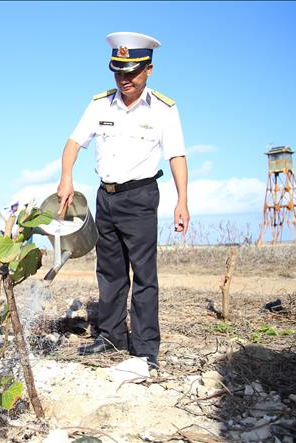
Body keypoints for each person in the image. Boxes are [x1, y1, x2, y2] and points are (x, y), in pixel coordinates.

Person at [56, 32, 189, 368]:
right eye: (118, 72)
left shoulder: (164, 109)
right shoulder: (100, 104)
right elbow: (73, 143)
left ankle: (145, 349)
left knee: (144, 275)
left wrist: (182, 200)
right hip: (107, 197)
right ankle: (111, 337)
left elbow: (176, 156)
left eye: (132, 73)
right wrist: (66, 177)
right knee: (110, 272)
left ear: (149, 70)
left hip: (141, 197)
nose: (125, 79)